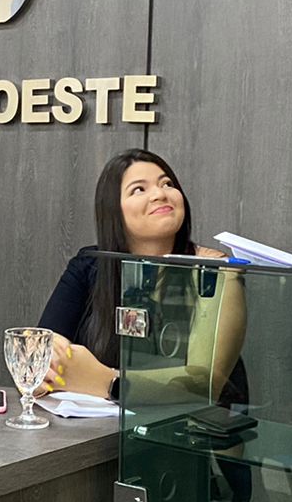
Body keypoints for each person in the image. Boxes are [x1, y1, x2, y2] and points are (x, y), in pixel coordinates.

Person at [38, 148, 246, 406]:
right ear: (113, 210)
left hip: (194, 425)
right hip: (96, 426)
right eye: (139, 189)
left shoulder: (214, 270)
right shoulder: (90, 265)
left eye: (167, 184)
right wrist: (49, 364)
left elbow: (203, 383)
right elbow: (40, 354)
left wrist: (107, 381)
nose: (160, 194)